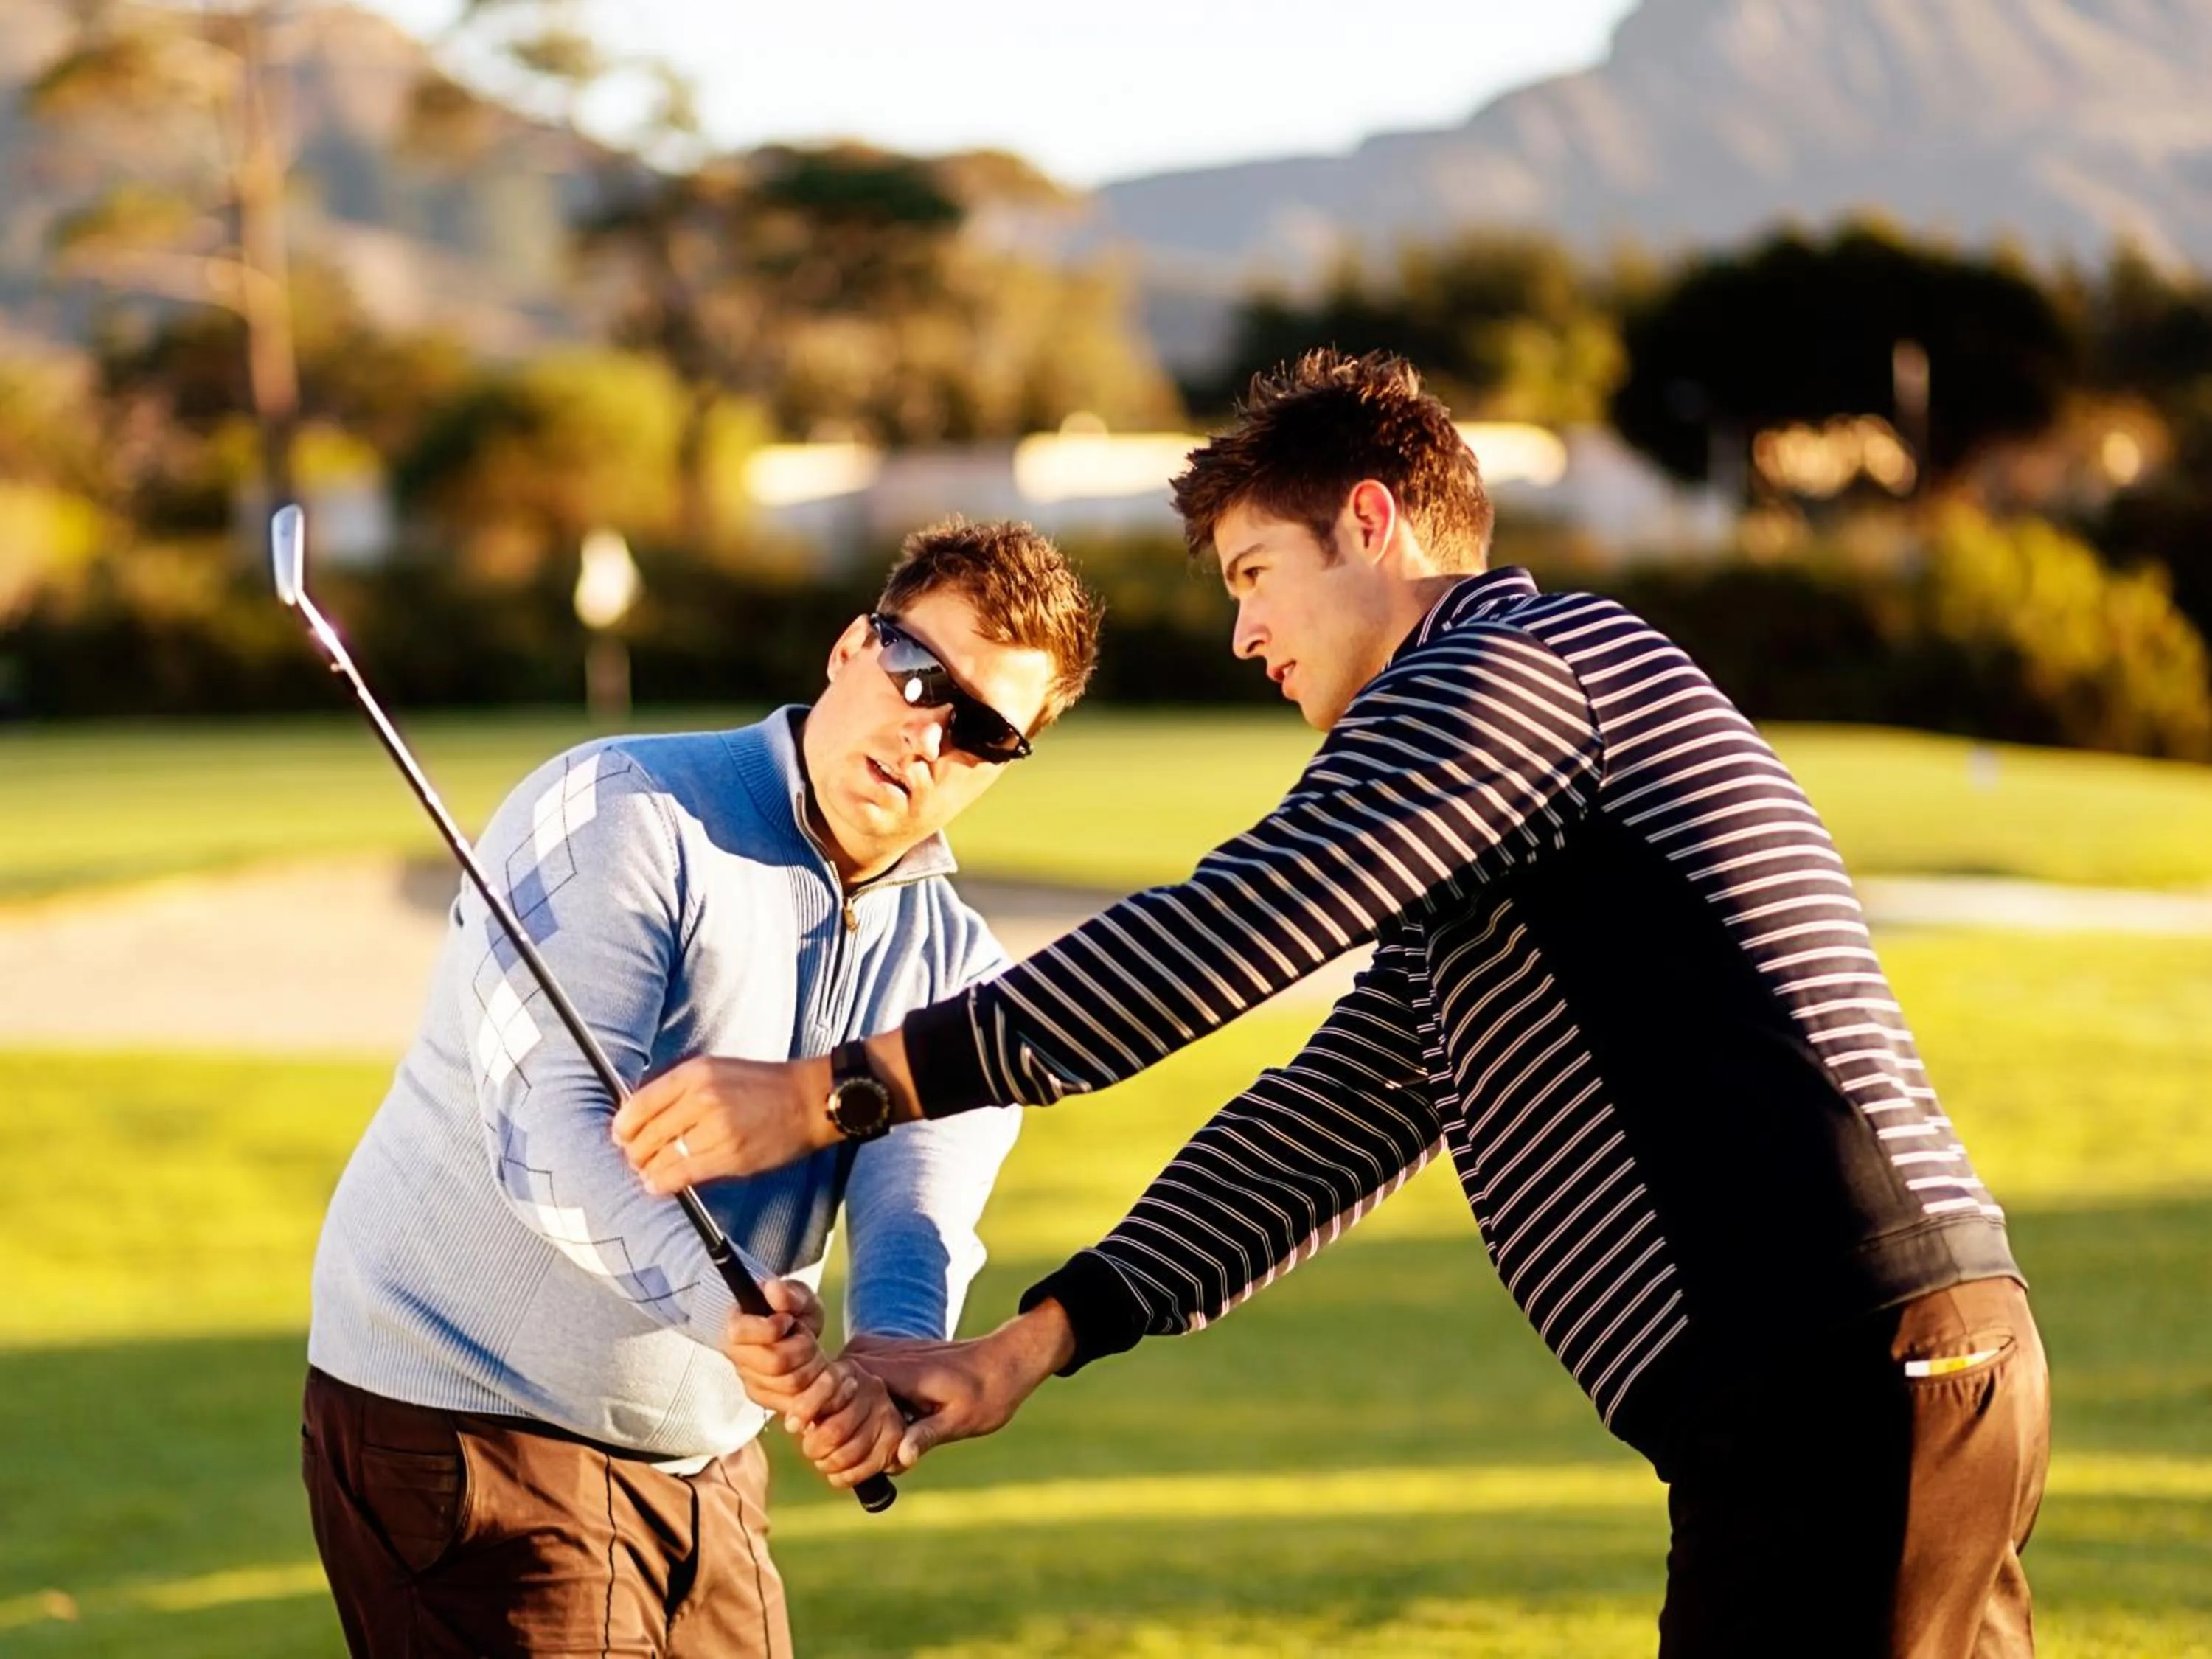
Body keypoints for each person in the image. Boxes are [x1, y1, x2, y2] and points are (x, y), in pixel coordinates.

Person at [613, 352, 2051, 1658]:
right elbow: (1338, 1113)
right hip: (1890, 1376)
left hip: (1830, 1380)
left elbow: (1226, 932)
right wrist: (1033, 1341)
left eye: (1251, 574)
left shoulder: (1505, 679)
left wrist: (822, 1094)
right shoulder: (1502, 804)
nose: (1243, 636)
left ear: (1372, 524)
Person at [301, 518, 1103, 1657]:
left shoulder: (955, 962)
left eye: (980, 731)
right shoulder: (624, 806)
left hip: (701, 1452)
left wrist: (888, 1359)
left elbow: (921, 1196)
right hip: (466, 1423)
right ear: (848, 649)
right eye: (918, 674)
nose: (929, 733)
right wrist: (721, 1306)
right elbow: (548, 1138)